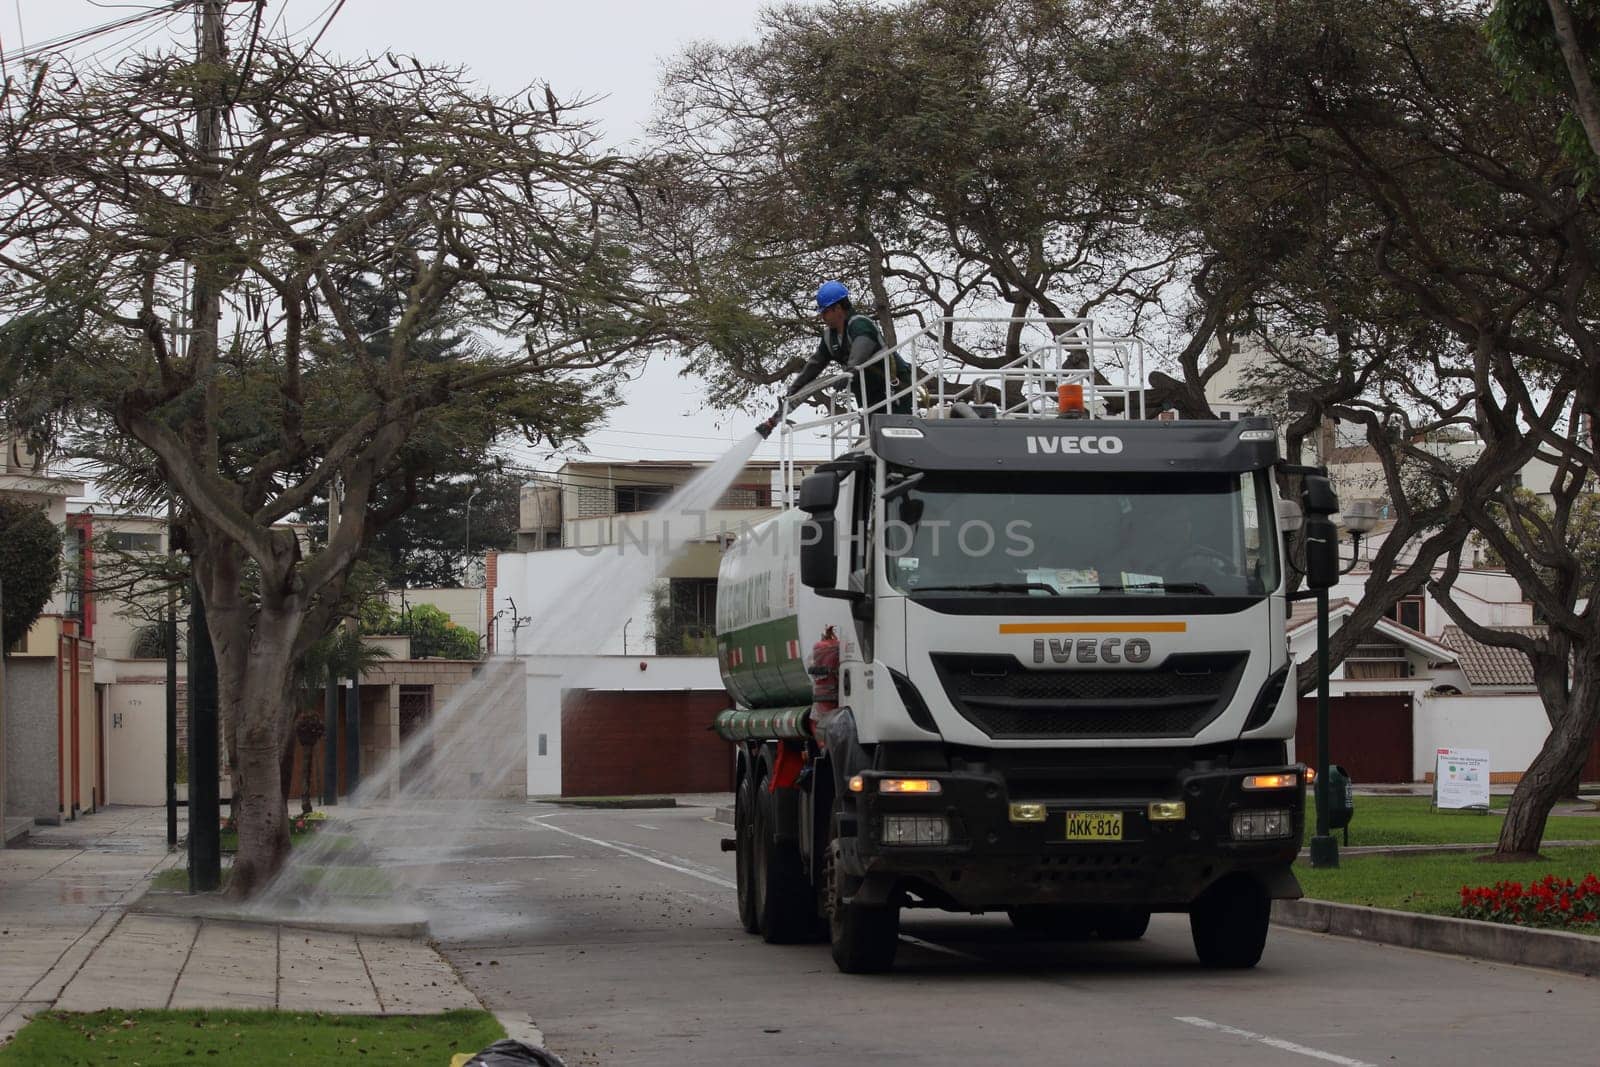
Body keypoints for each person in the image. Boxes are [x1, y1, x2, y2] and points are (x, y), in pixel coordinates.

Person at [757, 281, 911, 437]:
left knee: (899, 438)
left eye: (824, 312)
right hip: (870, 398)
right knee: (875, 442)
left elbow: (859, 353)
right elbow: (813, 367)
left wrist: (849, 372)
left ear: (837, 308)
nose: (822, 316)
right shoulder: (830, 338)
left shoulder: (860, 324)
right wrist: (792, 392)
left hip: (896, 391)